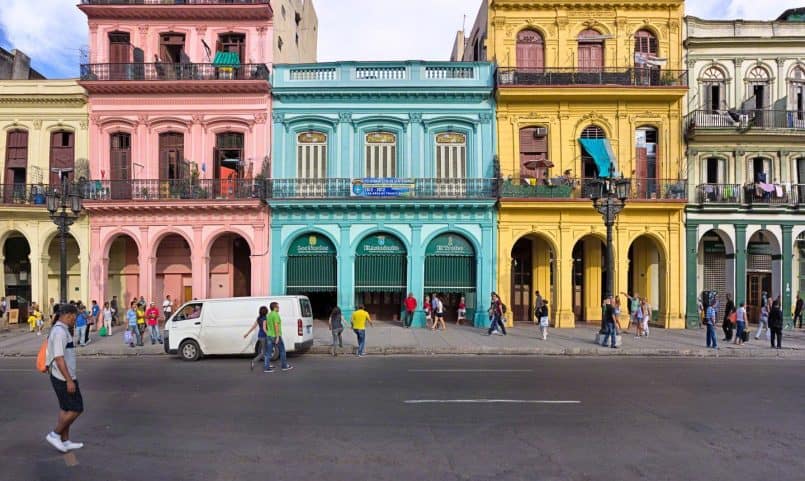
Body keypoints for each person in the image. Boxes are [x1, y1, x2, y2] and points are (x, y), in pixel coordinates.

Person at [45, 303, 84, 453]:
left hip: (62, 375)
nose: (75, 320)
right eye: (74, 317)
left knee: (65, 408)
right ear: (68, 315)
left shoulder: (60, 330)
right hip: (63, 377)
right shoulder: (60, 332)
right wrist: (69, 380)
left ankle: (65, 440)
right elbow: (59, 358)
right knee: (76, 408)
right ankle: (55, 434)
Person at [265, 302, 292, 371]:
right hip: (276, 336)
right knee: (282, 351)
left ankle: (267, 368)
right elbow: (276, 325)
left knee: (268, 352)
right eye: (278, 307)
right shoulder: (275, 314)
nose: (279, 308)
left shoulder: (269, 315)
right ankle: (284, 366)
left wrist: (269, 332)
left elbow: (267, 326)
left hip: (269, 335)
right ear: (275, 308)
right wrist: (277, 337)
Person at [243, 306, 269, 371]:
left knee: (265, 351)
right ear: (266, 312)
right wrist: (269, 335)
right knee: (264, 352)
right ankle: (254, 361)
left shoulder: (258, 318)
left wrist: (247, 333)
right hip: (264, 336)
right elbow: (264, 328)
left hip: (260, 336)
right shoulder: (264, 318)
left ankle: (267, 364)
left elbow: (254, 326)